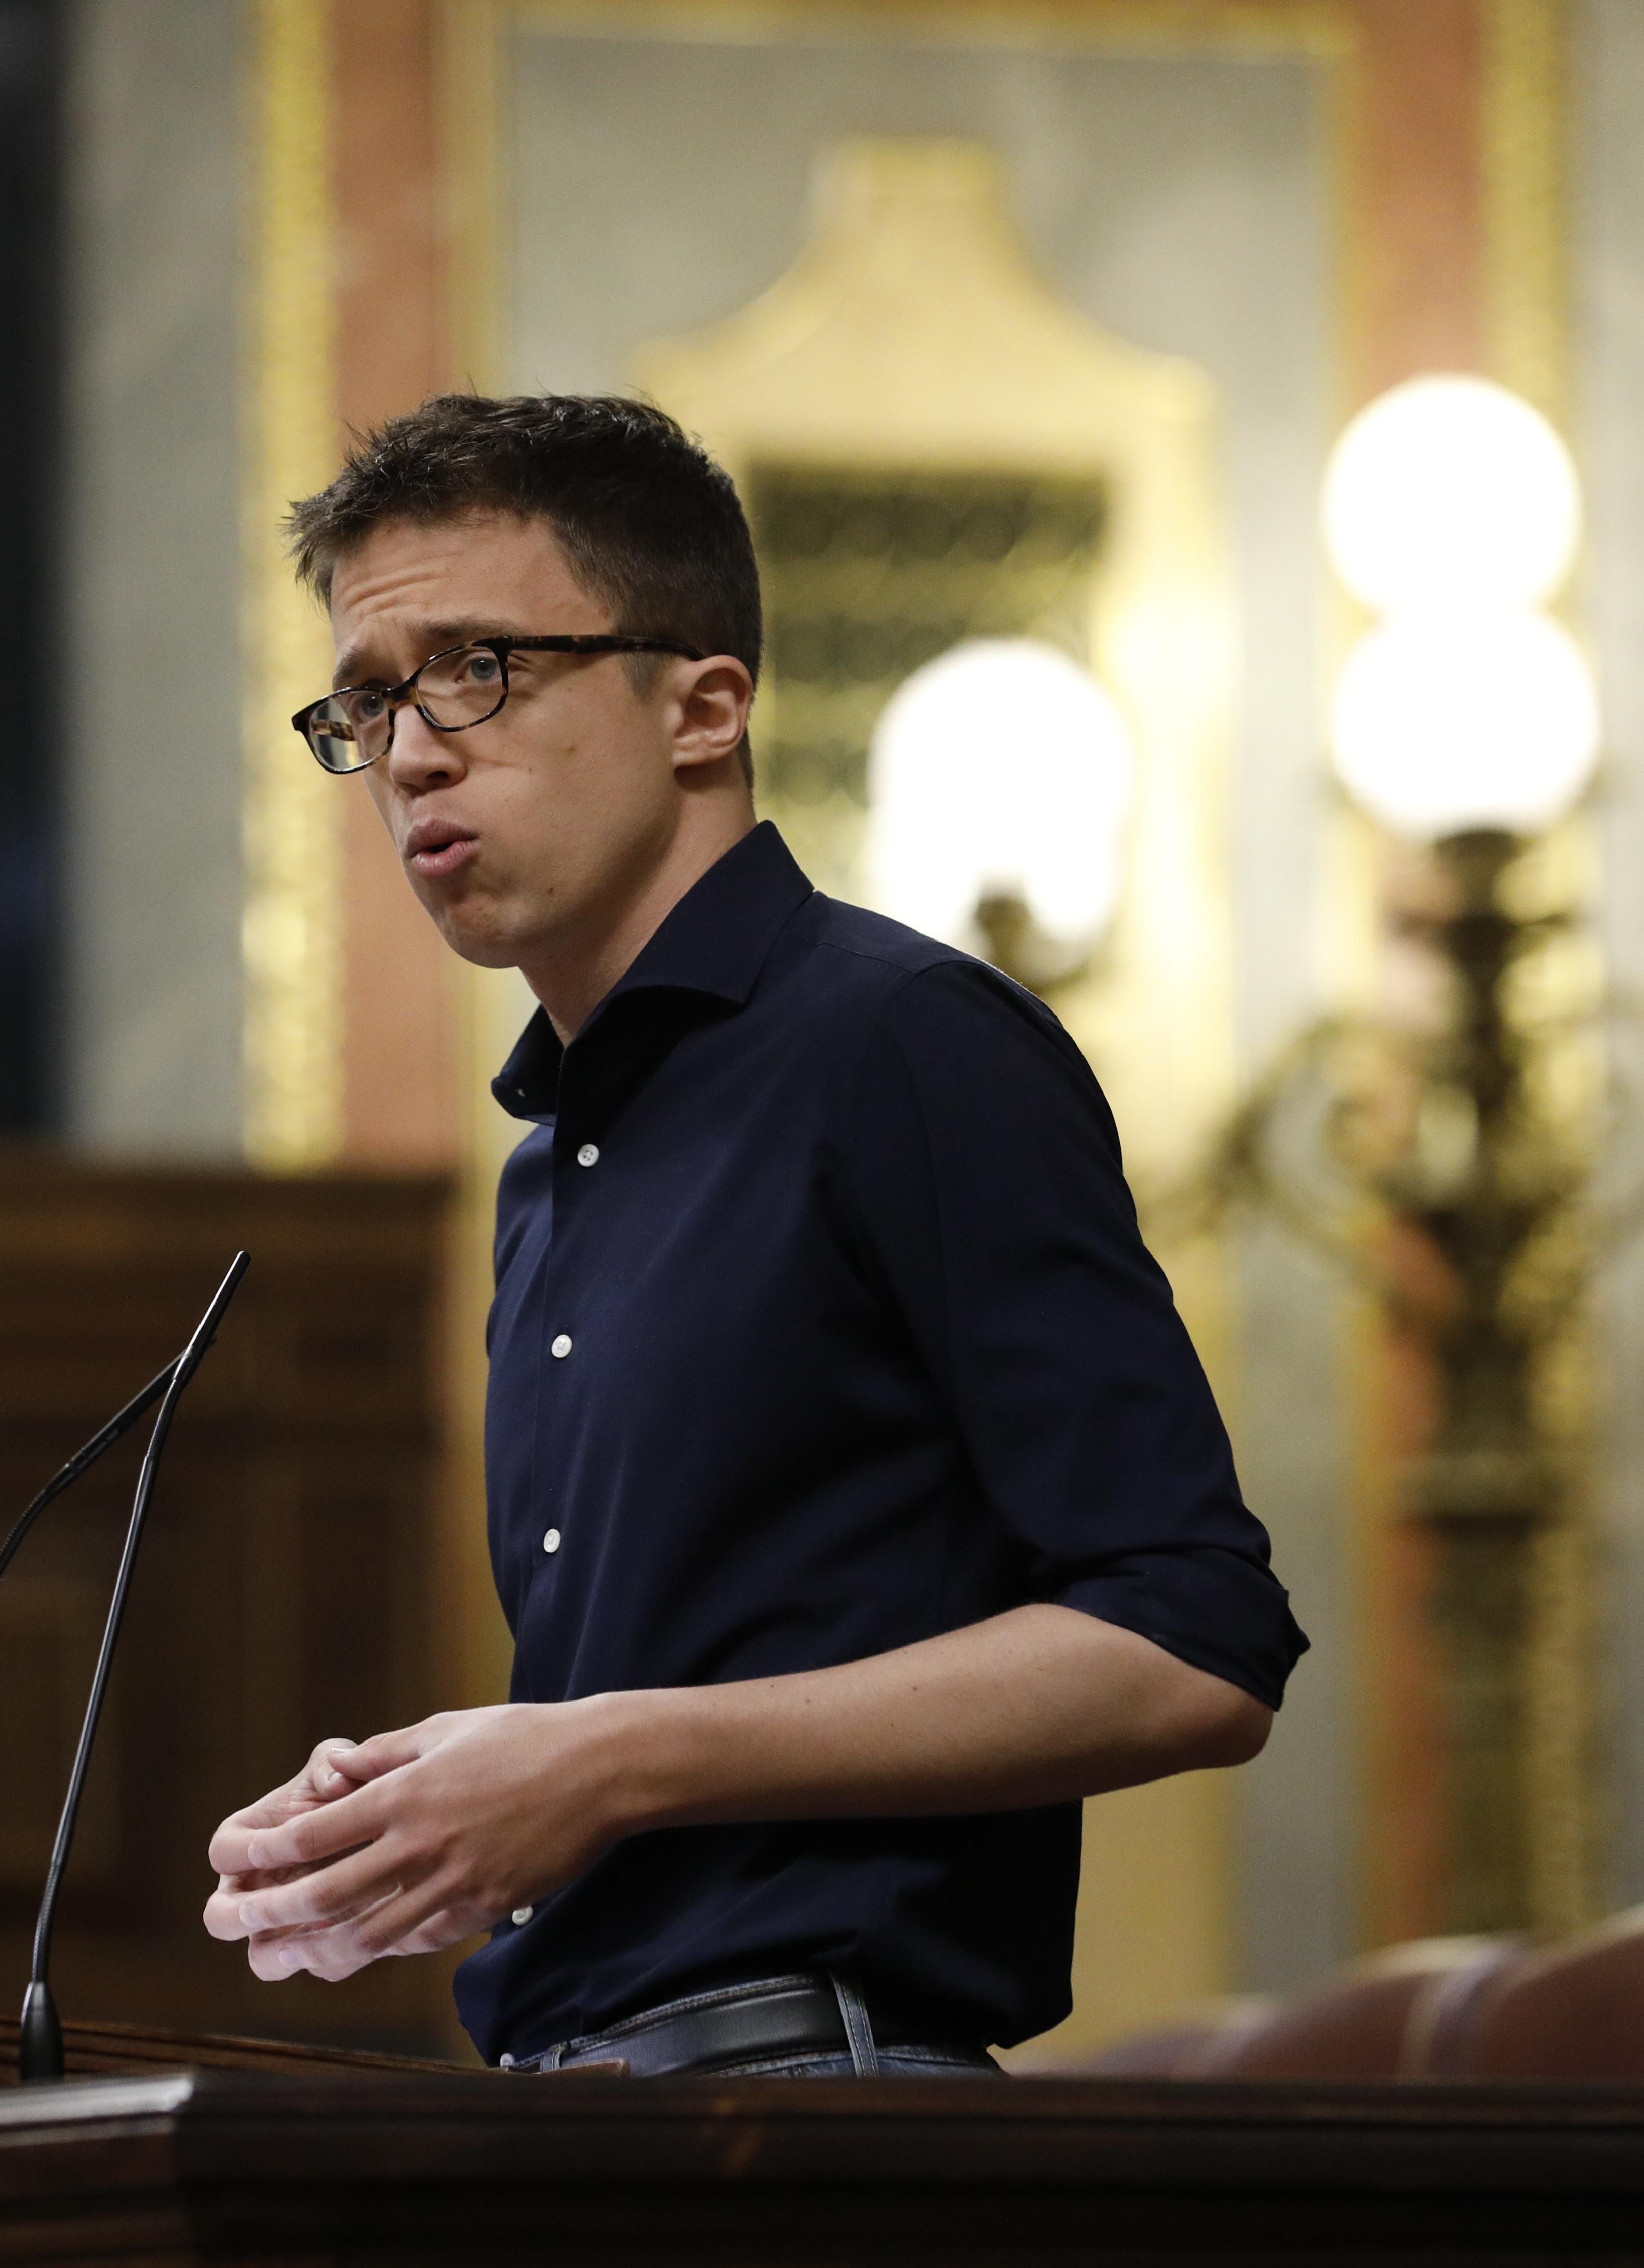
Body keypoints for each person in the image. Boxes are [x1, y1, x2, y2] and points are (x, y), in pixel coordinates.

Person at [203, 394, 1305, 2078]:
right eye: (366, 703)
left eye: (476, 668)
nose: (411, 751)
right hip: (571, 2107)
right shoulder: (554, 1163)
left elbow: (1191, 1643)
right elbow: (702, 1676)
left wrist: (599, 1764)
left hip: (812, 2107)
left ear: (702, 706)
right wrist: (451, 1796)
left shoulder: (902, 1043)